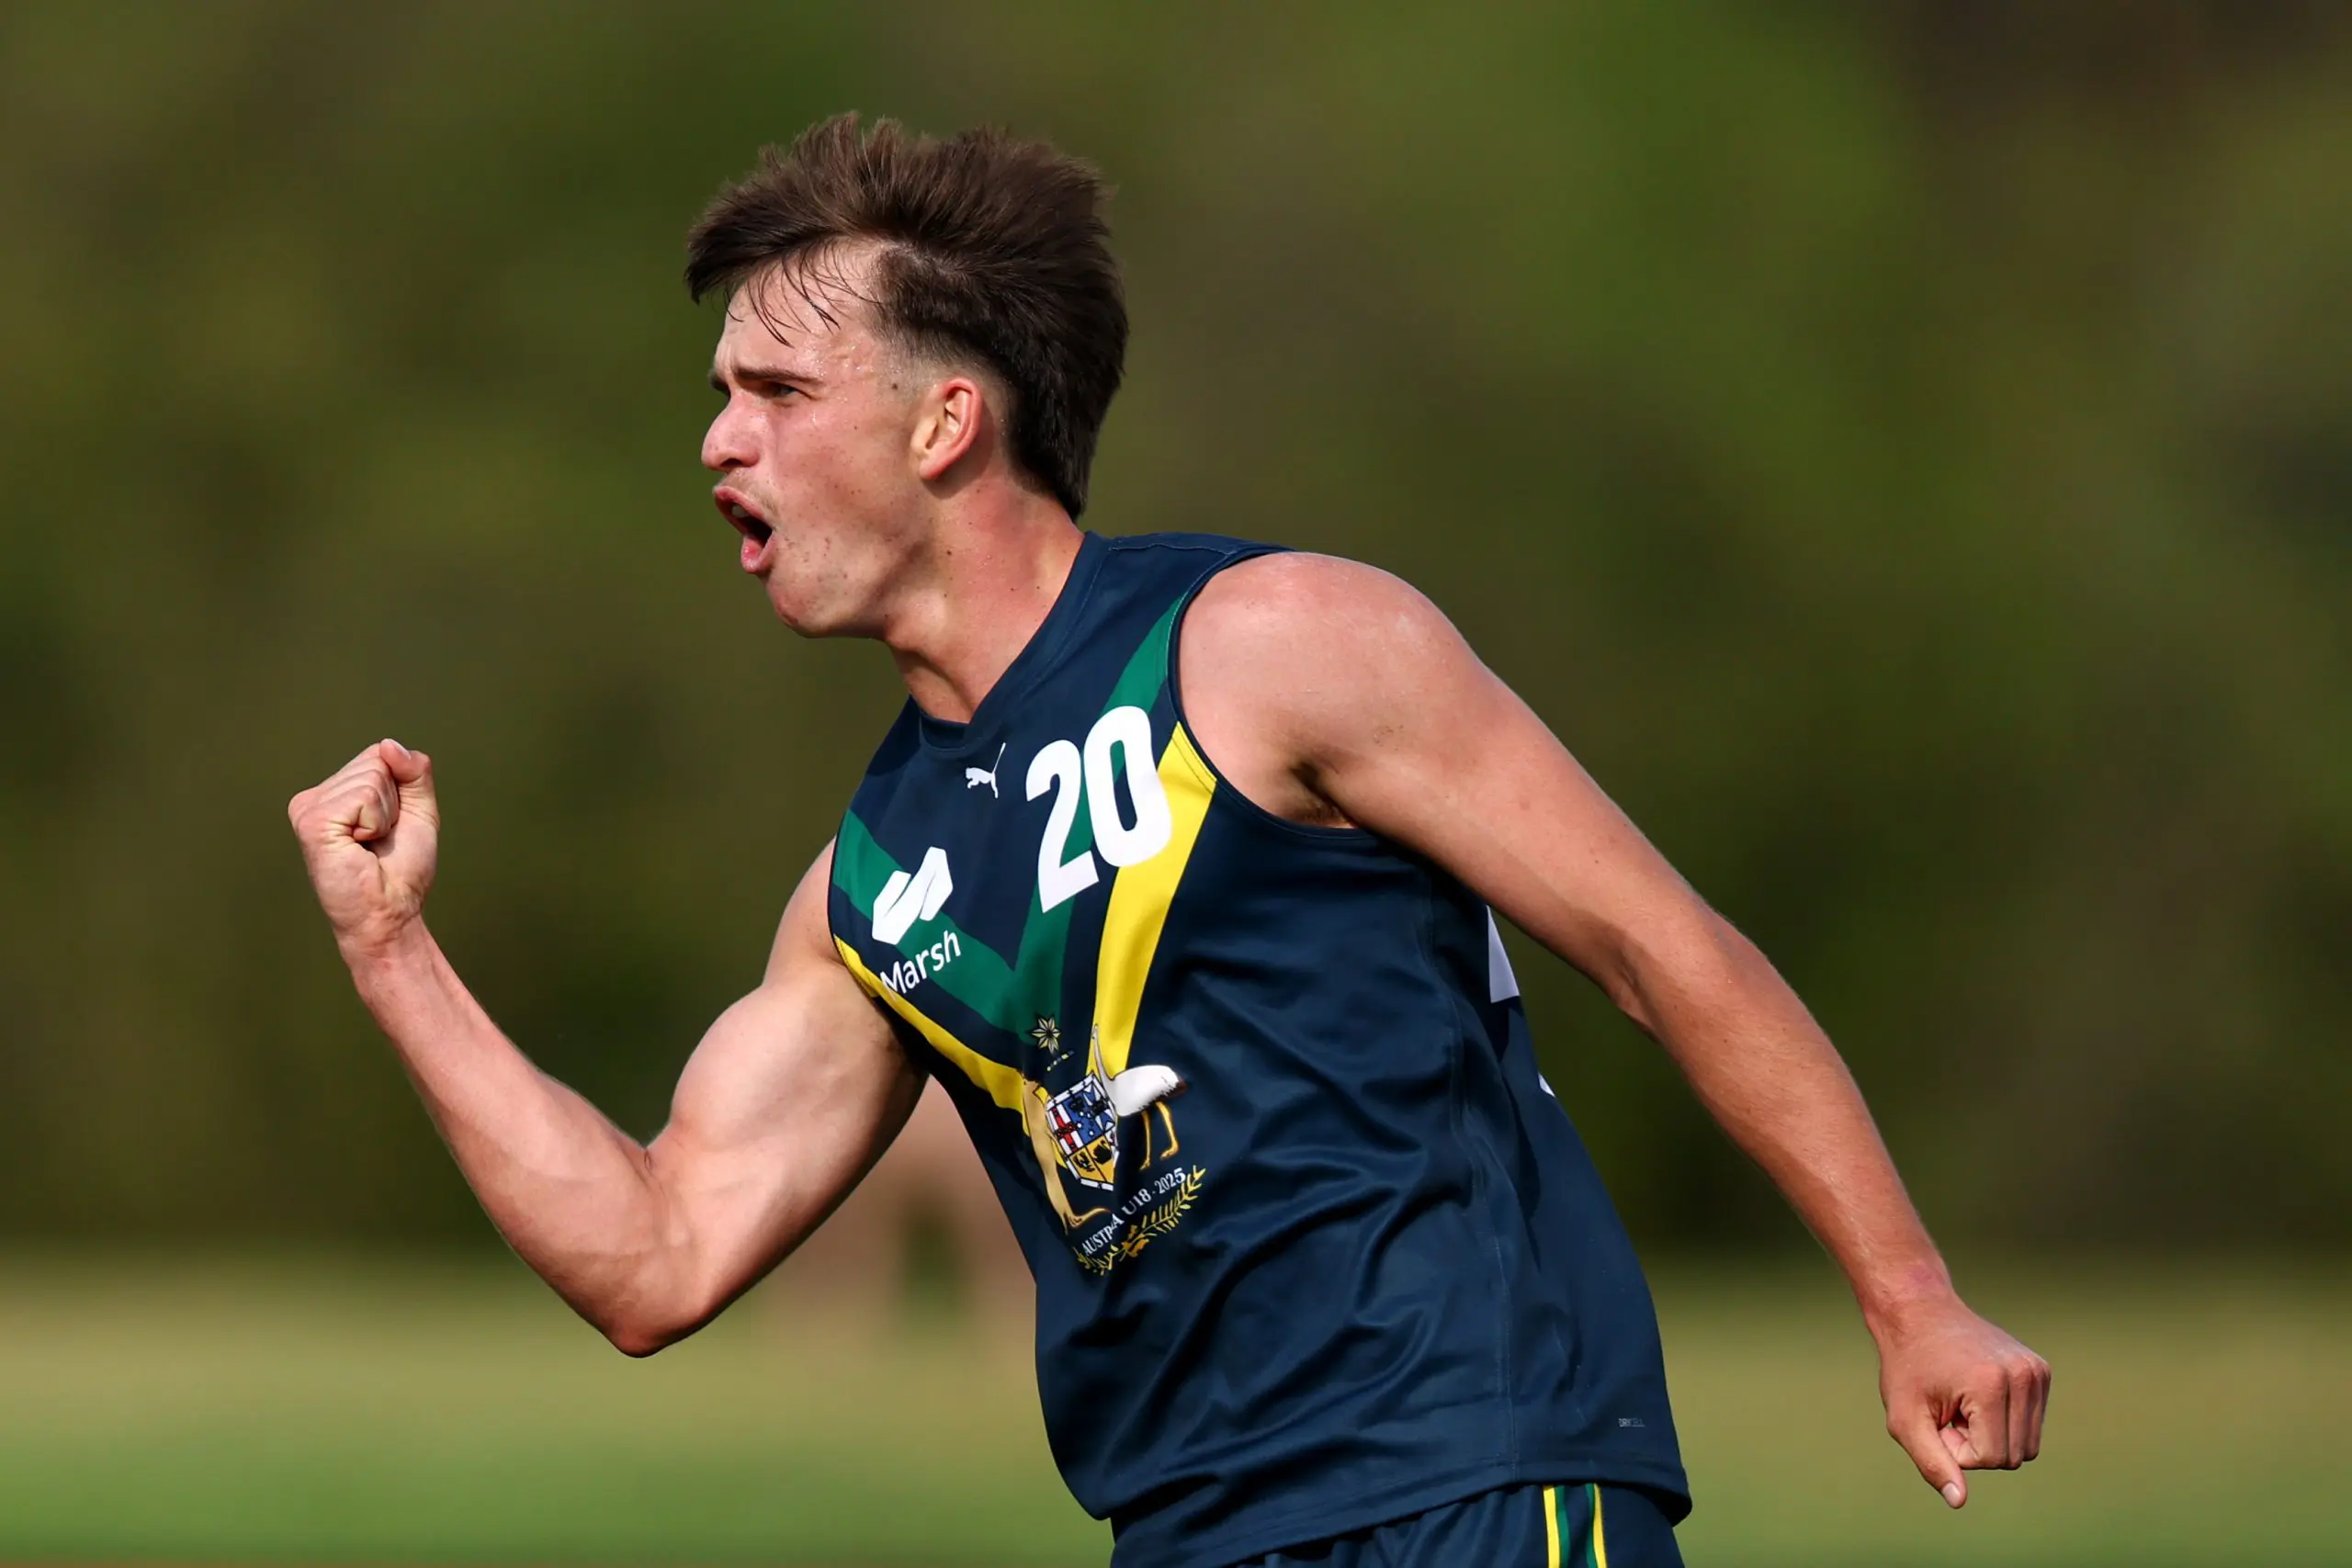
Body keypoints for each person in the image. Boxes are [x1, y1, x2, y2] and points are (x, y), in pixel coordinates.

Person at [288, 115, 2049, 1568]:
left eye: (773, 390)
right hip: (1187, 1534)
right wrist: (396, 956)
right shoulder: (871, 889)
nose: (716, 437)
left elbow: (1666, 953)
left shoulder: (1273, 643)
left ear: (945, 419)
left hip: (1475, 1484)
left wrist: (1914, 1296)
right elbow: (656, 1255)